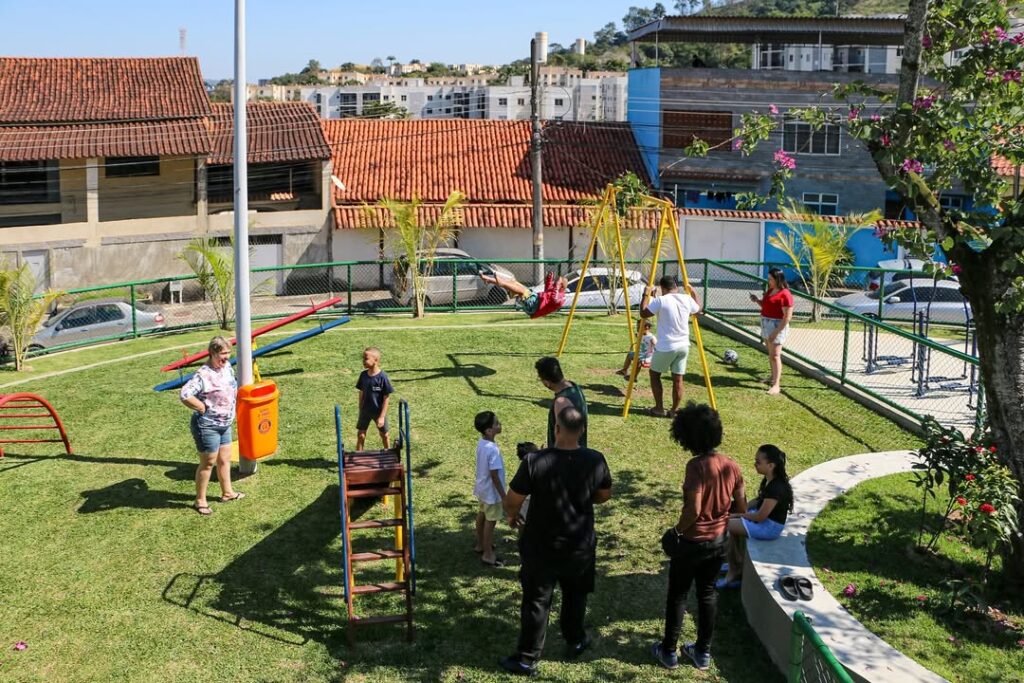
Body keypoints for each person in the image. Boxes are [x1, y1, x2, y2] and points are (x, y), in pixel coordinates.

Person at [500, 406, 613, 677]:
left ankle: (527, 658)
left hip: (541, 545)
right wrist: (585, 499)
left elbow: (512, 500)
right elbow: (604, 494)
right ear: (582, 430)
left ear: (556, 429)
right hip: (580, 544)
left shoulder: (535, 461)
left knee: (537, 601)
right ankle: (575, 639)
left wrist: (513, 517)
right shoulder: (596, 460)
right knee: (576, 597)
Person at [651, 402, 745, 672]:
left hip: (692, 542)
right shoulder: (732, 465)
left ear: (686, 437)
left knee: (678, 595)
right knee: (707, 594)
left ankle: (668, 651)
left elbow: (693, 508)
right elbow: (741, 505)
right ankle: (702, 652)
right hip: (718, 541)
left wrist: (676, 532)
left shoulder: (696, 467)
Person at [179, 336, 245, 516]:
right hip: (208, 426)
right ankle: (200, 500)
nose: (226, 358)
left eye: (228, 354)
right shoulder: (203, 374)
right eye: (223, 354)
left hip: (225, 424)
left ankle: (227, 493)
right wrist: (201, 407)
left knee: (225, 460)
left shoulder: (227, 368)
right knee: (208, 463)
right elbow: (185, 394)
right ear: (213, 353)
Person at [717, 445, 793, 589]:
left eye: (758, 462)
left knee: (724, 525)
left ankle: (733, 573)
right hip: (765, 521)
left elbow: (759, 517)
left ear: (770, 465)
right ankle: (737, 562)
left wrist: (738, 514)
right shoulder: (770, 480)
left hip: (769, 527)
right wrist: (743, 509)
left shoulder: (776, 488)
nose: (755, 464)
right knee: (729, 523)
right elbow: (759, 500)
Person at [640, 275, 702, 417]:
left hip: (666, 346)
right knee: (678, 379)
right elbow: (698, 309)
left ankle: (659, 408)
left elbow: (643, 313)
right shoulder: (686, 298)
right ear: (676, 287)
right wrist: (693, 292)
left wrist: (646, 294)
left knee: (654, 374)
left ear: (662, 288)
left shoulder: (662, 300)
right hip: (683, 346)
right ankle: (674, 410)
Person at [749, 267, 794, 395]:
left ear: (778, 279)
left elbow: (787, 317)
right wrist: (757, 300)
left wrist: (775, 332)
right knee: (771, 354)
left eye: (770, 279)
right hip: (765, 324)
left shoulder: (785, 294)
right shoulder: (770, 290)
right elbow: (766, 306)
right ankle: (773, 377)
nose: (768, 281)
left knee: (775, 355)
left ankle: (776, 385)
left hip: (777, 326)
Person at [473, 411, 507, 568]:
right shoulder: (493, 450)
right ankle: (487, 554)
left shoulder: (482, 443)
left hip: (482, 489)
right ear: (489, 431)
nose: (500, 424)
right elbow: (494, 475)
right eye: (497, 423)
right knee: (490, 522)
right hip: (492, 493)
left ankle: (480, 545)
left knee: (482, 514)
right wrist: (503, 496)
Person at [535, 356, 588, 448]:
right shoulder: (574, 387)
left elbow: (564, 438)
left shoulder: (561, 402)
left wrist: (548, 455)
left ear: (547, 382)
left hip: (565, 458)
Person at [480, 271, 569, 319]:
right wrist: (549, 278)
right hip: (535, 300)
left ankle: (501, 283)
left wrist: (556, 287)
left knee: (522, 291)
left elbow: (554, 299)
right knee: (514, 282)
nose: (554, 284)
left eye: (556, 282)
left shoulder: (561, 298)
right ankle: (488, 280)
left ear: (561, 286)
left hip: (535, 307)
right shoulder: (555, 290)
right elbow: (548, 290)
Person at [355, 346, 394, 450]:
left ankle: (388, 452)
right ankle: (359, 455)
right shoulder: (363, 375)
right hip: (365, 411)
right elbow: (361, 392)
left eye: (366, 358)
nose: (363, 361)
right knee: (361, 435)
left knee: (384, 435)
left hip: (378, 412)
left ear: (376, 360)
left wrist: (382, 416)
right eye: (363, 358)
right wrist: (360, 408)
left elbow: (386, 398)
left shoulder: (382, 377)